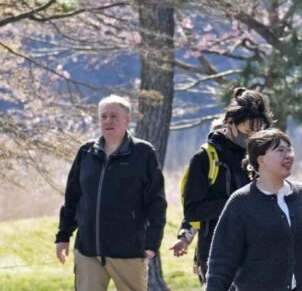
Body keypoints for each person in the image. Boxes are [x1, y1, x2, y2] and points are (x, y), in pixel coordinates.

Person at [205, 129, 302, 290]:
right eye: (280, 150)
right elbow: (221, 263)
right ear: (261, 159)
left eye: (289, 150)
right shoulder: (241, 203)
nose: (288, 155)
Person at [55, 96, 166, 291]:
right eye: (103, 116)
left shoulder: (143, 152)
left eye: (114, 116)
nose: (108, 121)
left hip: (129, 251)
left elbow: (156, 201)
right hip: (88, 251)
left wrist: (152, 243)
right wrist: (63, 235)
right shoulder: (86, 152)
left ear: (127, 119)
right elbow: (72, 198)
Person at [170, 87, 273, 283]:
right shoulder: (205, 158)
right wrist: (237, 204)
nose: (251, 136)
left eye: (257, 131)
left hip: (257, 254)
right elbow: (193, 210)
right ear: (230, 123)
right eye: (247, 131)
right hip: (217, 255)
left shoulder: (260, 157)